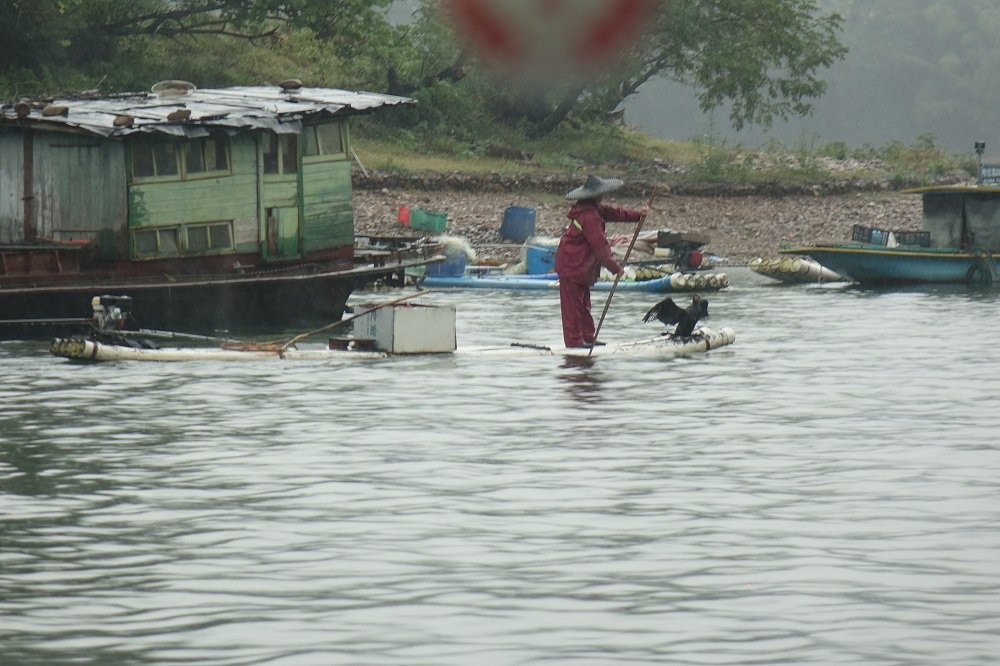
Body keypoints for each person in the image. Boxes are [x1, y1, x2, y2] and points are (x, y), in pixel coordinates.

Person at [554, 174, 648, 348]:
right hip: (571, 264)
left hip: (582, 267)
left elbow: (614, 212)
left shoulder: (595, 209)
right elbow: (600, 246)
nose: (603, 196)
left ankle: (588, 338)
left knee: (584, 305)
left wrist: (638, 215)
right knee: (572, 308)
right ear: (595, 195)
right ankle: (574, 343)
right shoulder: (589, 215)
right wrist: (615, 268)